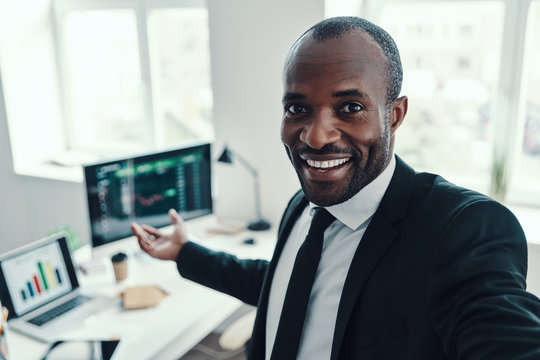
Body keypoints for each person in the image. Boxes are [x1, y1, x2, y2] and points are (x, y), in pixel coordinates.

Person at [131, 16, 540, 359]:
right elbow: (283, 284)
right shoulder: (305, 205)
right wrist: (185, 253)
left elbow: (503, 331)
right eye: (297, 109)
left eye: (350, 108)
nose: (316, 136)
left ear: (394, 115)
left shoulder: (461, 231)